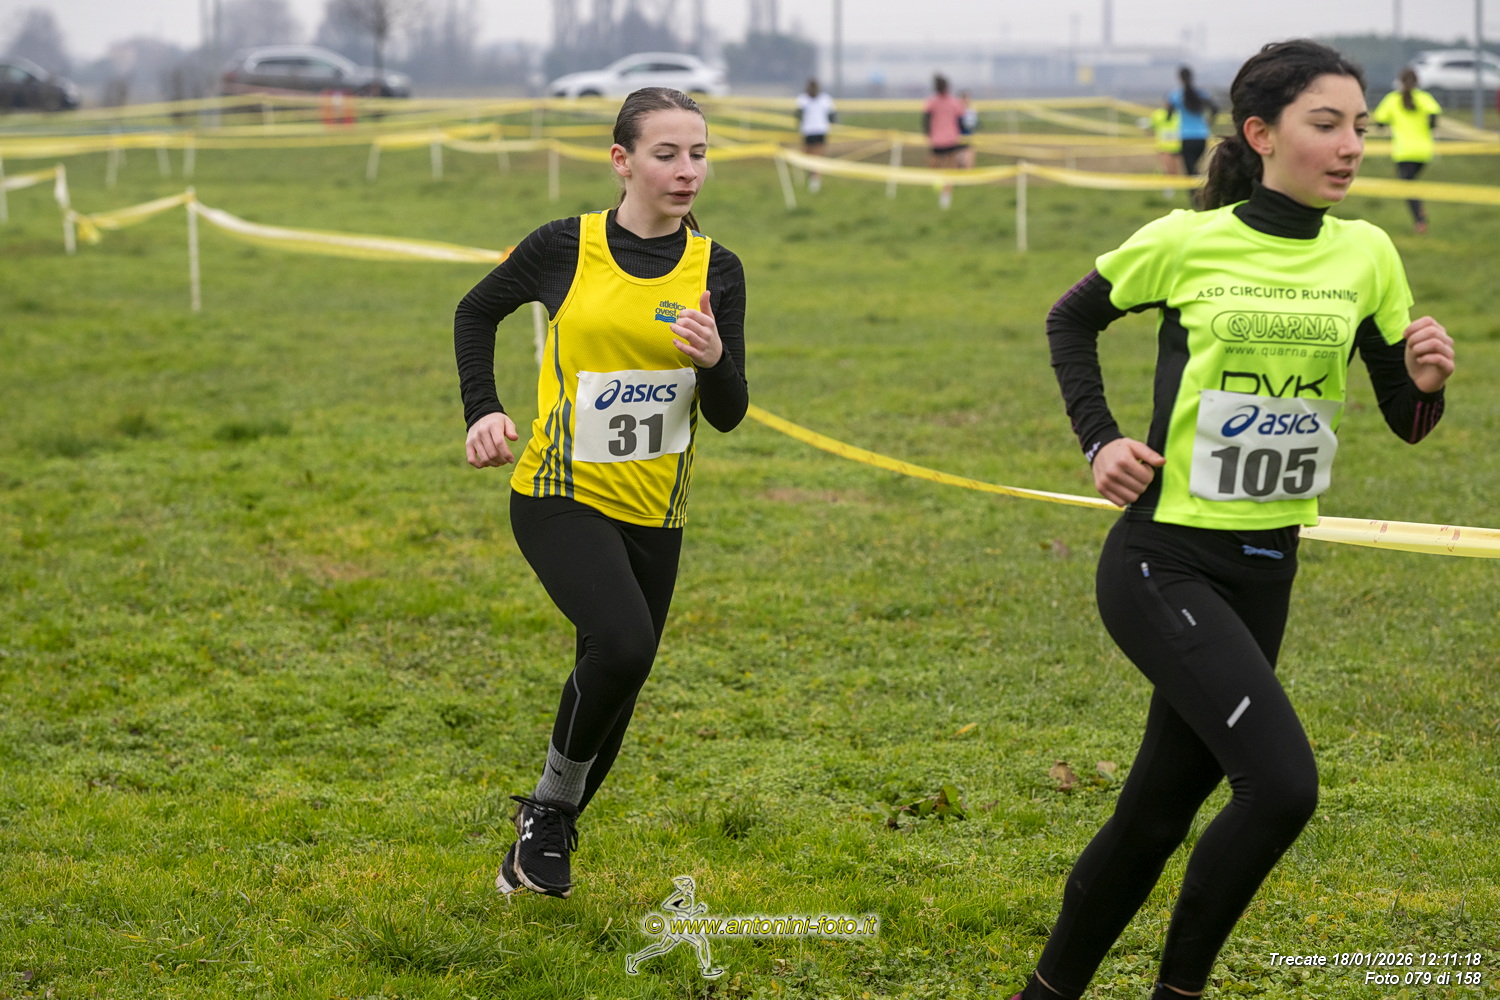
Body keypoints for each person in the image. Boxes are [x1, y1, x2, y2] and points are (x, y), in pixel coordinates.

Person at [1012, 40, 1454, 1000]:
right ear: (1261, 134)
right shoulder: (1186, 240)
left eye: (1360, 127)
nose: (1351, 146)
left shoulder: (1368, 254)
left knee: (1154, 816)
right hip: (1163, 559)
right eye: (1325, 125)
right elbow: (1069, 320)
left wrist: (1426, 383)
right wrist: (1100, 440)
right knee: (1282, 787)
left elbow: (1409, 420)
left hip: (1267, 566)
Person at [453, 87, 749, 899]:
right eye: (667, 154)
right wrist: (483, 409)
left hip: (656, 510)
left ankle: (537, 845)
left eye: (699, 154)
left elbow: (729, 413)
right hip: (559, 490)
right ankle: (548, 817)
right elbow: (475, 312)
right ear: (622, 161)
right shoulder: (564, 246)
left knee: (619, 674)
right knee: (622, 644)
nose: (688, 171)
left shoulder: (716, 269)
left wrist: (714, 359)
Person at [1372, 67, 1441, 233]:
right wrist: (1429, 126)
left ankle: (1420, 220)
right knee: (1411, 183)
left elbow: (1379, 121)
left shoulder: (1392, 99)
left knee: (1408, 187)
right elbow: (1434, 115)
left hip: (1403, 152)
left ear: (1400, 82)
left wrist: (1386, 124)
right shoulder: (1424, 98)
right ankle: (1420, 215)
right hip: (1424, 151)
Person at [924, 73, 967, 209]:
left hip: (936, 140)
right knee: (950, 170)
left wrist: (928, 134)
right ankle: (945, 197)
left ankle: (938, 189)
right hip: (951, 139)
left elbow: (926, 120)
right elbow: (961, 121)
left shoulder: (931, 101)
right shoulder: (955, 102)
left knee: (935, 168)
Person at [1168, 66, 1218, 176]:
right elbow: (1215, 109)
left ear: (1179, 78)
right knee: (1195, 168)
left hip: (1186, 136)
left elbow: (1169, 114)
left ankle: (1197, 186)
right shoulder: (1202, 94)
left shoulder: (1176, 95)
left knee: (1190, 171)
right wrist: (1210, 122)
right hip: (1202, 135)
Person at [796, 76, 837, 192]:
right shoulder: (805, 99)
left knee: (814, 157)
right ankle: (813, 179)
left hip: (816, 131)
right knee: (809, 157)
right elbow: (832, 116)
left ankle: (814, 182)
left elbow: (798, 115)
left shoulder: (822, 99)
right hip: (811, 131)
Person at [1142, 100, 1181, 198]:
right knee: (1168, 169)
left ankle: (1172, 188)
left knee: (1174, 170)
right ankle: (1168, 190)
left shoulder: (1179, 115)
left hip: (1177, 147)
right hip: (1164, 147)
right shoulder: (1159, 114)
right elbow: (1150, 125)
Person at [957, 89, 980, 169]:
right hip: (958, 139)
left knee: (968, 161)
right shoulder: (956, 110)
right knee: (958, 162)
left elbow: (974, 124)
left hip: (968, 139)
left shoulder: (971, 111)